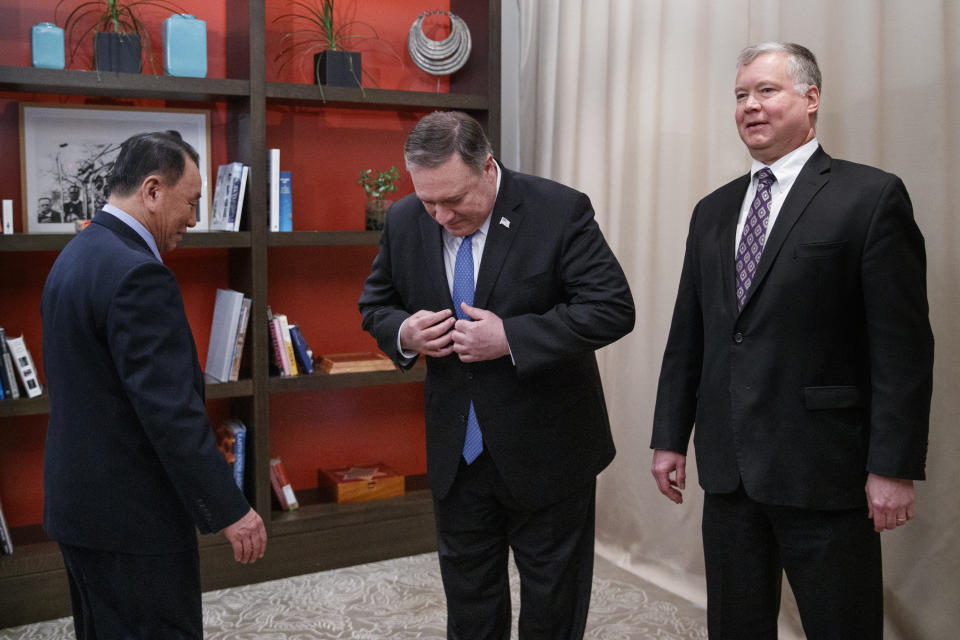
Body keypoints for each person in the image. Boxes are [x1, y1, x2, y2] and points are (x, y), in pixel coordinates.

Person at [650, 42, 933, 638]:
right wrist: (670, 437)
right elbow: (689, 335)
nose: (750, 106)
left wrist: (893, 466)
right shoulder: (712, 210)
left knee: (843, 625)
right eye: (740, 95)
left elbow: (902, 348)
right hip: (728, 467)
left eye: (766, 91)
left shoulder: (871, 197)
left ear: (811, 99)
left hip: (824, 468)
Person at [359, 111, 634, 639]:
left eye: (454, 200)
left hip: (549, 451)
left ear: (488, 168)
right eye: (428, 201)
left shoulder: (558, 210)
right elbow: (376, 305)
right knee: (470, 608)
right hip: (457, 455)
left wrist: (512, 337)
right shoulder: (403, 220)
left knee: (552, 610)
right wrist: (405, 334)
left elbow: (612, 308)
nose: (440, 215)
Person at [41, 131, 266, 639]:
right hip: (133, 520)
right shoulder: (139, 275)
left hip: (80, 509)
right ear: (151, 190)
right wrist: (232, 509)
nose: (193, 218)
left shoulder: (76, 254)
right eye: (190, 202)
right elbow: (170, 415)